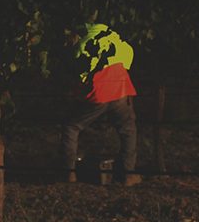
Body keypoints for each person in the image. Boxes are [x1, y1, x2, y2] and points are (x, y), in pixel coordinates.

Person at [60, 22, 140, 186]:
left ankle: (69, 174)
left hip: (99, 93)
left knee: (72, 127)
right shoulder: (115, 38)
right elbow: (127, 60)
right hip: (120, 91)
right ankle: (128, 175)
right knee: (128, 130)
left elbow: (80, 74)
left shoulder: (83, 45)